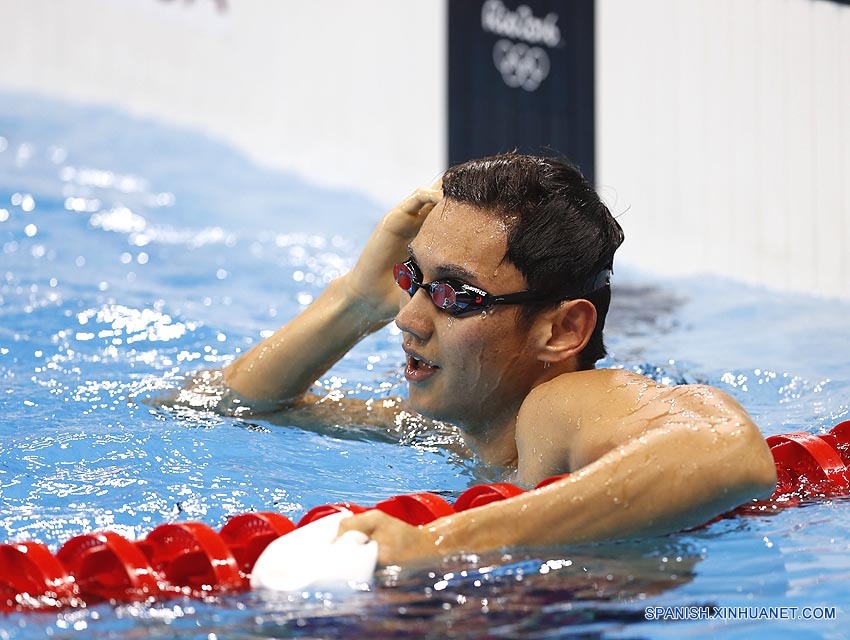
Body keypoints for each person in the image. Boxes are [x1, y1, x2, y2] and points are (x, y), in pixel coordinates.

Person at [200, 153, 777, 565]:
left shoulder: (561, 403)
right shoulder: (463, 429)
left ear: (561, 330)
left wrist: (437, 545)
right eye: (412, 278)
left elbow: (727, 451)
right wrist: (354, 301)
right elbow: (228, 404)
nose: (408, 318)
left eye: (454, 294)